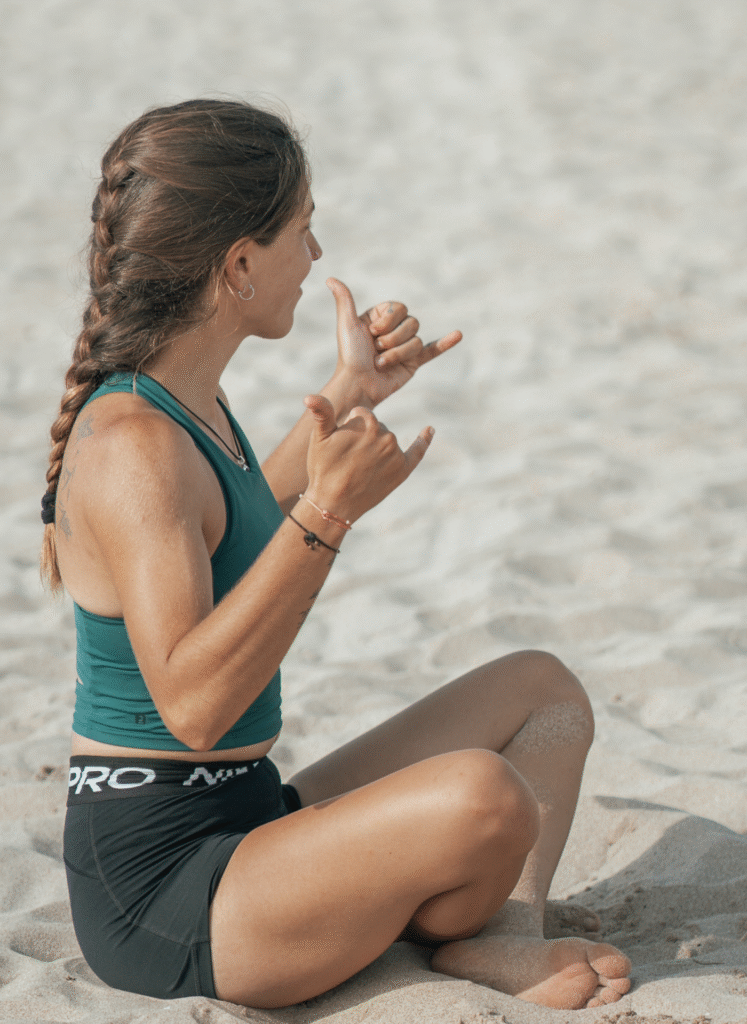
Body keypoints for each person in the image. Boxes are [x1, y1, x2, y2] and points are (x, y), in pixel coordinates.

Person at [41, 98, 631, 1011]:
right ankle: (429, 913)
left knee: (541, 691)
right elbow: (194, 708)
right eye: (303, 232)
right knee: (485, 796)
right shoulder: (130, 445)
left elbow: (233, 520)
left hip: (246, 811)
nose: (315, 259)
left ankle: (503, 934)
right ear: (239, 263)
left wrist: (351, 389)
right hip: (167, 895)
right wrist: (327, 515)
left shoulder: (181, 402)